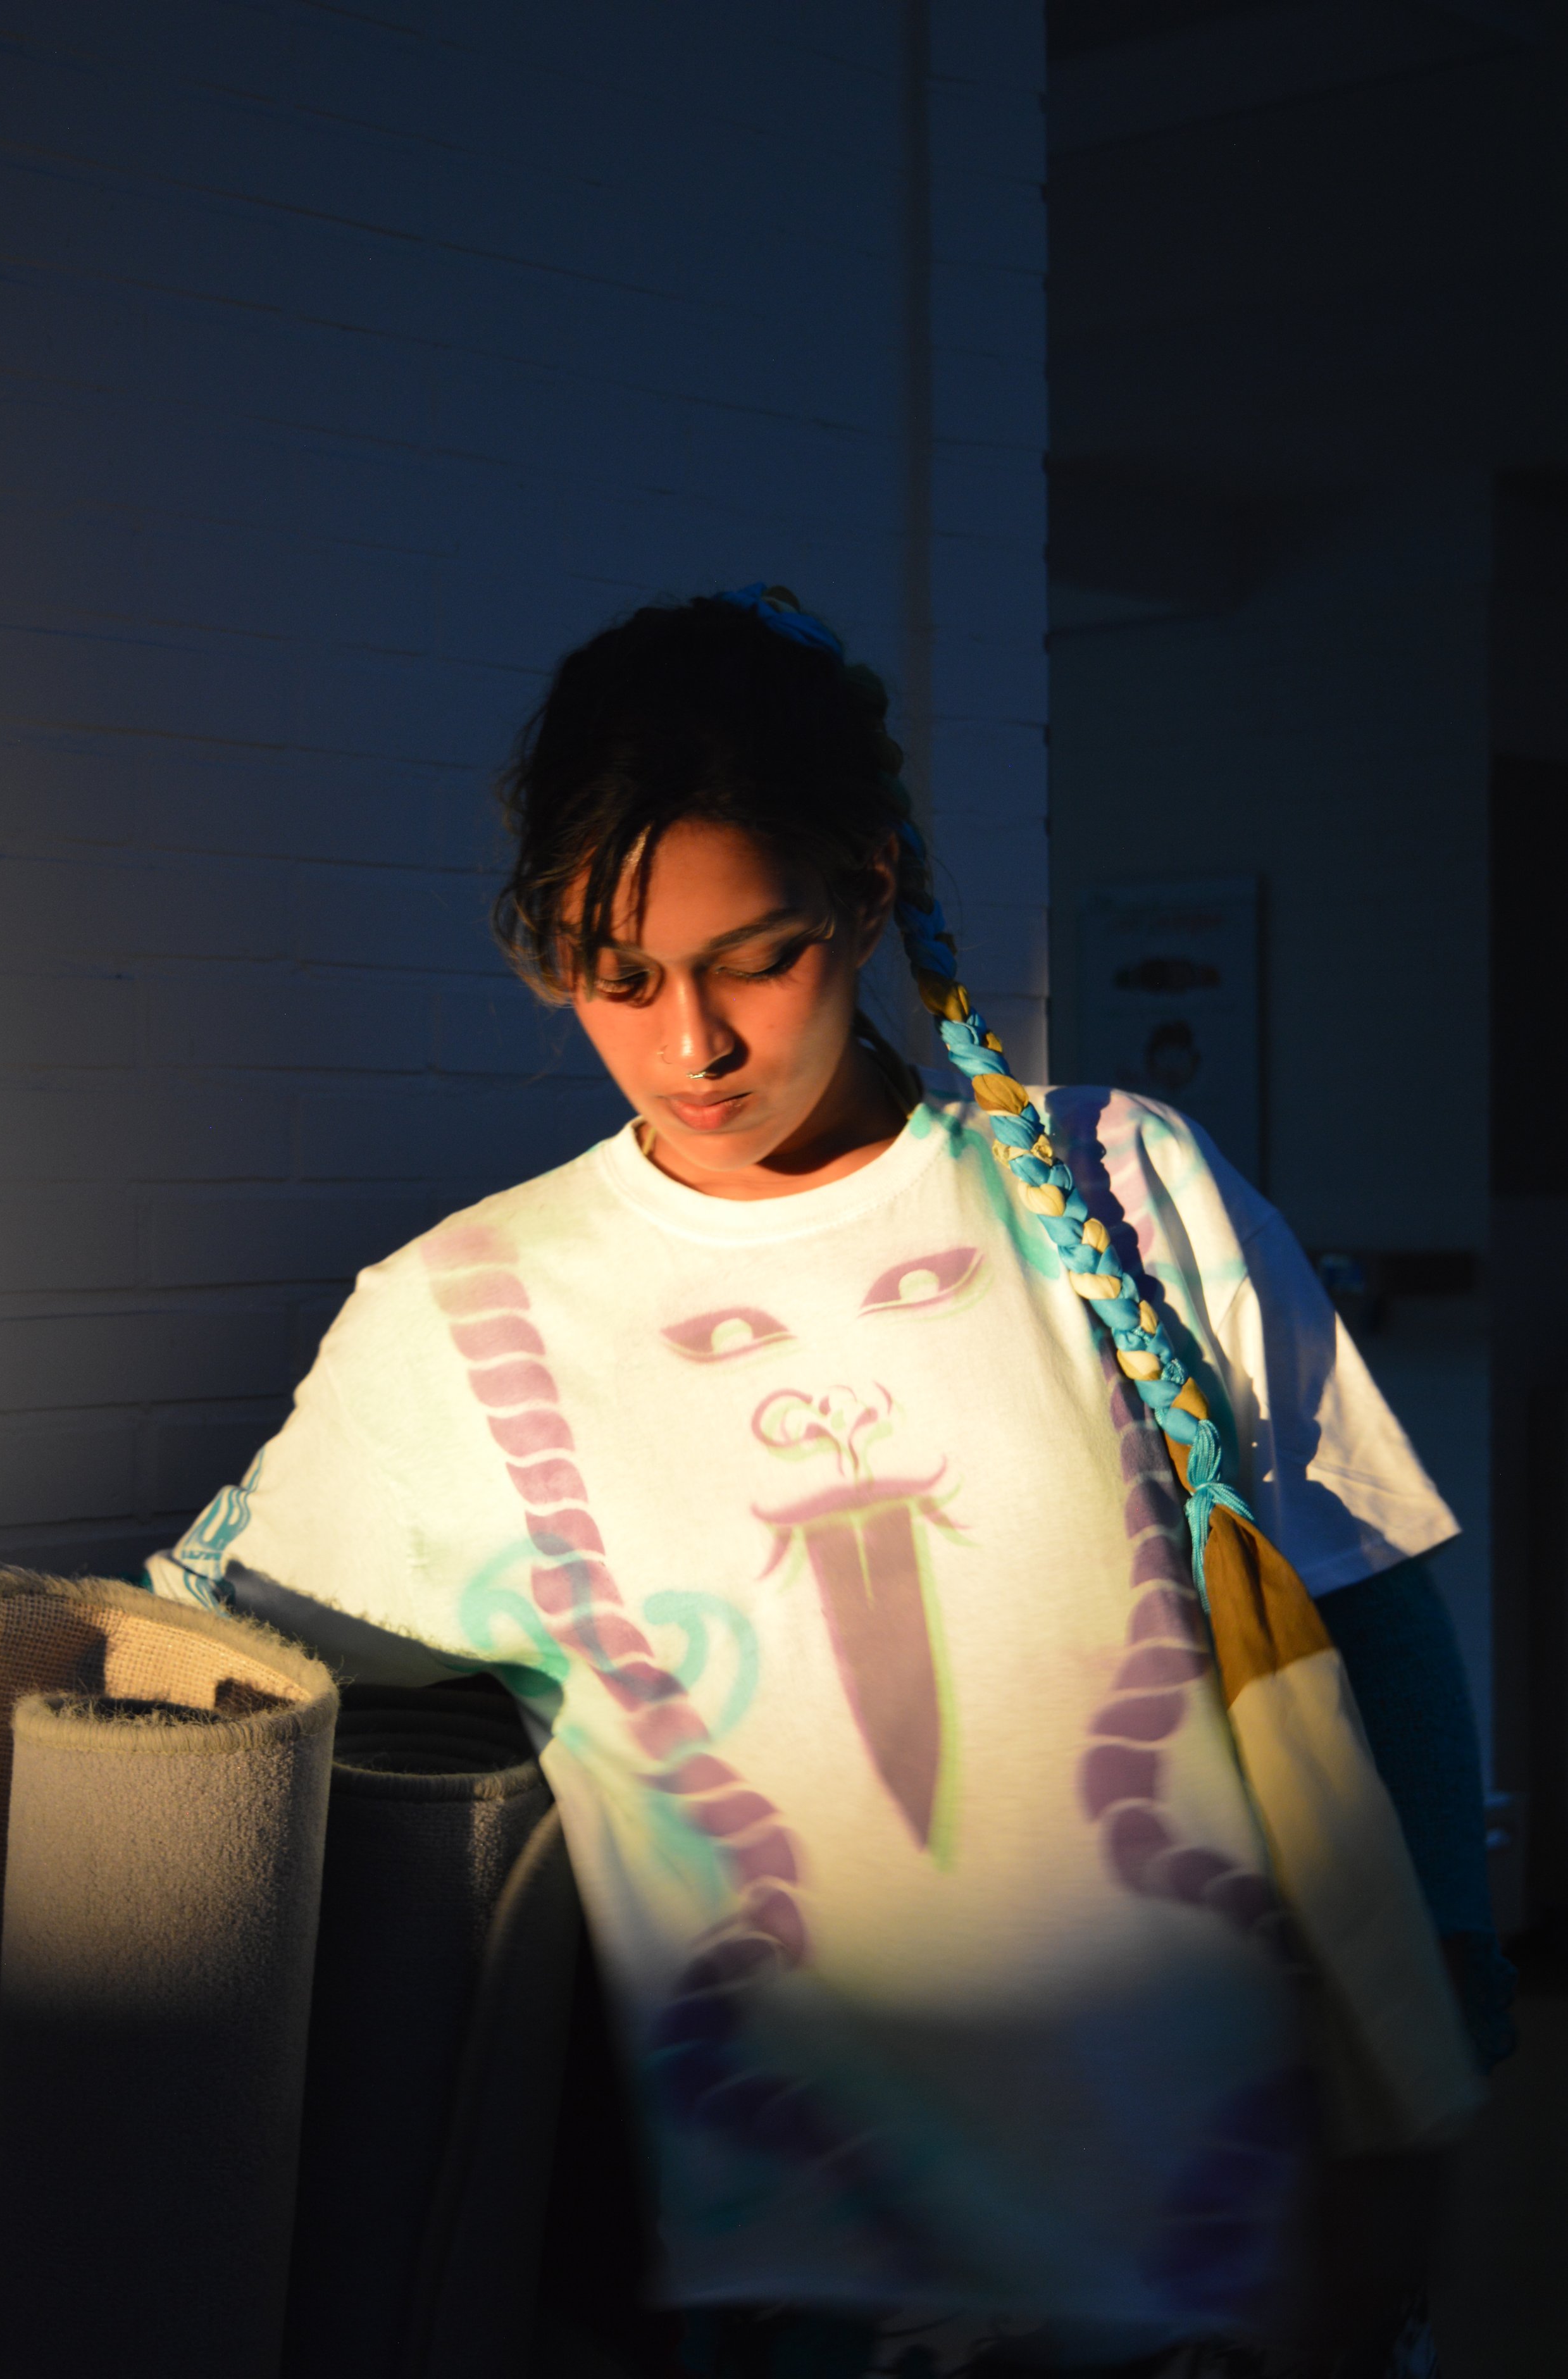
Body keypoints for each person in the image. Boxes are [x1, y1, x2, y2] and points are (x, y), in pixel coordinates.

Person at [148, 588, 1501, 2378]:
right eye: (614, 977)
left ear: (868, 889)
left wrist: (1417, 2128)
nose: (688, 1047)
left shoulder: (1119, 1191)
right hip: (825, 2293)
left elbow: (1374, 1628)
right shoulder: (468, 1322)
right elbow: (195, 1667)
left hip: (1245, 2245)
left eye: (753, 959)